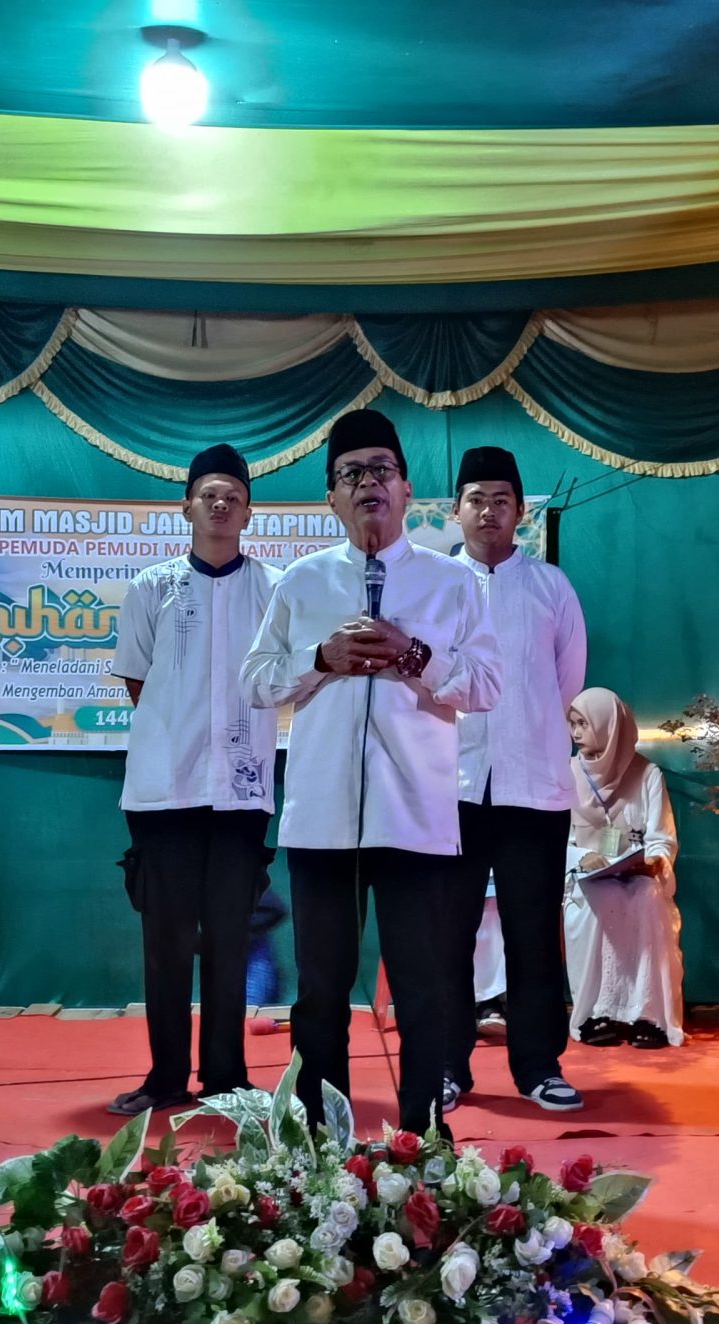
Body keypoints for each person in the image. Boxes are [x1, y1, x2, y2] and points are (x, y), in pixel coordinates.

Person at [243, 408, 502, 1133]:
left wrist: (414, 655)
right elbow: (256, 681)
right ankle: (320, 1139)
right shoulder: (301, 583)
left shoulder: (452, 583)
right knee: (320, 991)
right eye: (350, 473)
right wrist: (320, 659)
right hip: (323, 818)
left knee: (422, 987)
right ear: (331, 496)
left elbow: (487, 686)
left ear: (406, 489)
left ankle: (424, 1138)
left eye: (381, 469)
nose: (367, 484)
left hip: (415, 815)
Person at [106, 444, 279, 1116]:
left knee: (231, 938)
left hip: (240, 792)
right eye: (209, 494)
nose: (220, 505)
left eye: (233, 496)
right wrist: (181, 736)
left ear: (248, 512)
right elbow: (137, 681)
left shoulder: (273, 588)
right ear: (186, 506)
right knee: (168, 941)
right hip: (165, 794)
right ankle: (166, 1078)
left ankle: (228, 1078)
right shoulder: (152, 587)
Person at [445, 446, 586, 1111]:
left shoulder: (551, 587)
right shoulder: (434, 586)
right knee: (446, 934)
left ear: (521, 511)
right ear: (455, 510)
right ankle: (445, 1065)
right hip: (450, 789)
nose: (489, 512)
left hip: (533, 787)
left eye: (501, 500)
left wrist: (527, 735)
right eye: (477, 499)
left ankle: (539, 1066)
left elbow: (567, 684)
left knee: (532, 933)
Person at [563, 687, 683, 1048]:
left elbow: (661, 835)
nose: (576, 733)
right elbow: (556, 840)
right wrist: (580, 858)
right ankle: (597, 1013)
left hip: (637, 874)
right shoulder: (566, 773)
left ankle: (647, 1015)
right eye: (572, 724)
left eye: (584, 724)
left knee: (648, 897)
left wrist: (656, 860)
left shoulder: (647, 774)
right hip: (586, 877)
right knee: (602, 898)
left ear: (609, 725)